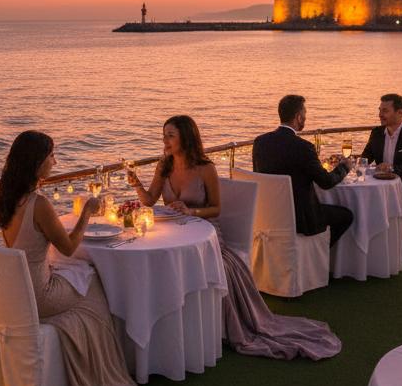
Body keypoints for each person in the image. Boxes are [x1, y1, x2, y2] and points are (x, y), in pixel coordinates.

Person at [128, 116, 341, 360]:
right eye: (163, 134)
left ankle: (215, 322)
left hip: (206, 229)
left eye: (170, 135)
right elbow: (149, 200)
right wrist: (136, 185)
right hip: (175, 230)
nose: (164, 140)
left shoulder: (205, 168)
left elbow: (216, 209)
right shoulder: (163, 165)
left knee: (222, 265)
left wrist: (191, 211)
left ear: (185, 137)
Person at [0, 130, 153, 386]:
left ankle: (100, 361)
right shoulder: (38, 204)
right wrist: (87, 214)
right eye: (51, 156)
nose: (55, 162)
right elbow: (68, 248)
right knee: (92, 279)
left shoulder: (6, 197)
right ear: (37, 162)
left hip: (17, 291)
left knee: (79, 273)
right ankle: (105, 370)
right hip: (40, 297)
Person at [252, 94, 354, 244]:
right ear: (299, 117)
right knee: (346, 216)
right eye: (305, 114)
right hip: (301, 219)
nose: (305, 117)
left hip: (269, 215)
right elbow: (325, 182)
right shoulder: (304, 147)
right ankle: (320, 252)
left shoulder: (260, 142)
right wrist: (345, 167)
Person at [360, 93, 402, 210]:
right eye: (380, 110)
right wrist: (348, 163)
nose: (380, 115)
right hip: (379, 185)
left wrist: (391, 168)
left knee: (377, 201)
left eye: (385, 111)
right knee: (361, 197)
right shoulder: (376, 133)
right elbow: (364, 159)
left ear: (399, 112)